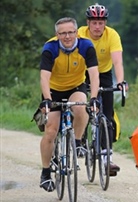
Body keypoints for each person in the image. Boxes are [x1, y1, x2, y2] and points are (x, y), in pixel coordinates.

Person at [39, 17, 100, 192]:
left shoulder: (86, 46)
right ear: (57, 35)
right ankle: (45, 173)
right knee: (51, 129)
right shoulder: (50, 48)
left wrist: (94, 97)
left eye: (70, 32)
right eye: (63, 33)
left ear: (76, 33)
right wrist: (47, 99)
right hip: (53, 90)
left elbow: (94, 74)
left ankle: (78, 142)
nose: (67, 36)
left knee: (81, 106)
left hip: (76, 86)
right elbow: (44, 77)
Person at [78, 3, 126, 175]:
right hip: (81, 73)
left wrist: (120, 82)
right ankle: (80, 139)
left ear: (105, 23)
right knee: (81, 106)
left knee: (107, 114)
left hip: (103, 73)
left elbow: (118, 62)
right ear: (88, 23)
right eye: (94, 22)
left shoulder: (112, 35)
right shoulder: (80, 34)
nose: (97, 26)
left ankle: (107, 158)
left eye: (101, 22)